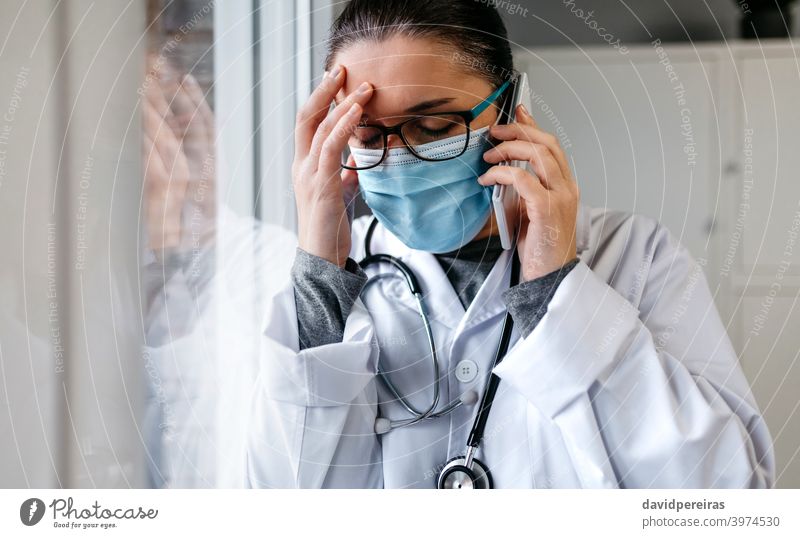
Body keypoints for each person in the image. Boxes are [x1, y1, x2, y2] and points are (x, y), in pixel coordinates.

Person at [246, 0, 774, 488]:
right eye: (365, 135)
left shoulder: (635, 257)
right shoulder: (326, 288)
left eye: (433, 125)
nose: (398, 156)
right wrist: (320, 275)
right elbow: (276, 499)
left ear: (509, 107)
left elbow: (728, 492)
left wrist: (554, 292)